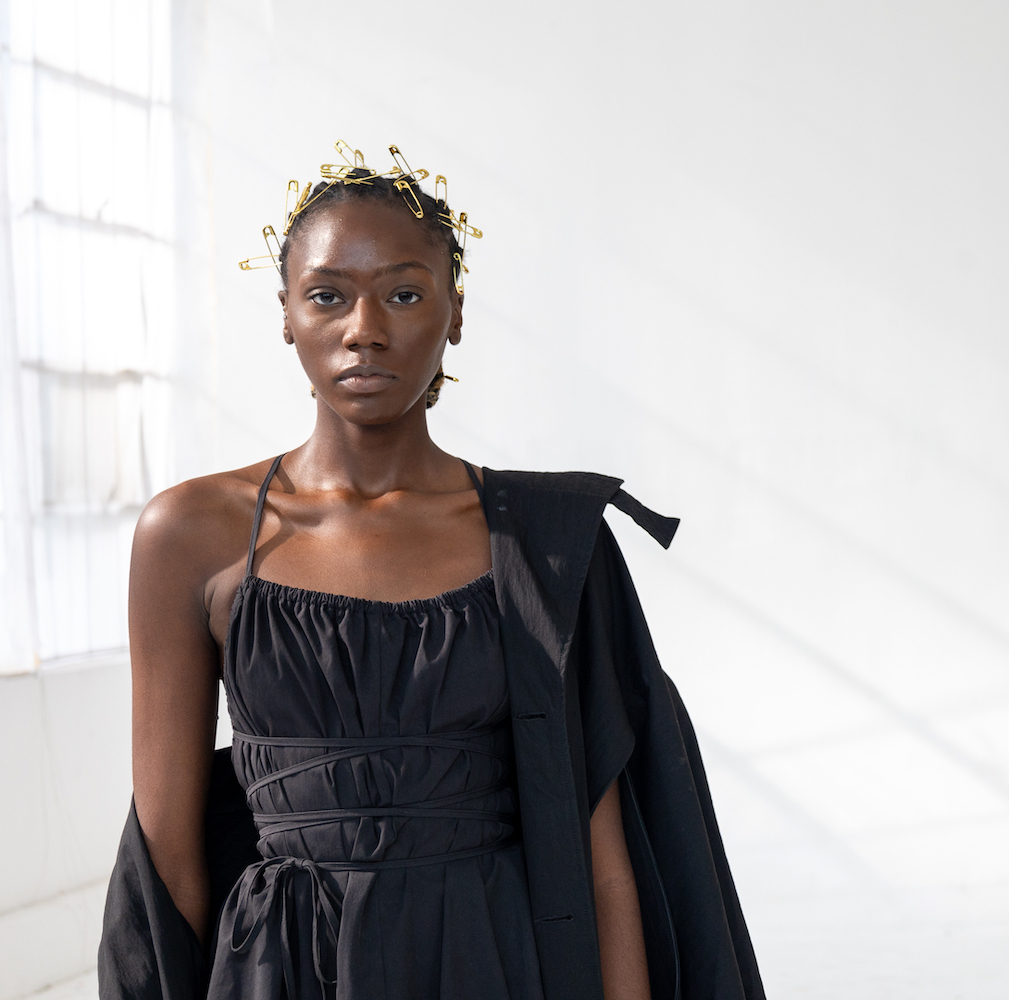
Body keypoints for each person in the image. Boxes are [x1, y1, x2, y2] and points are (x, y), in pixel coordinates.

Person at [99, 144, 763, 1000]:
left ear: (453, 313)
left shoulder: (548, 544)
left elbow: (604, 861)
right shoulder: (188, 535)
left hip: (493, 960)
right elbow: (168, 862)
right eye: (328, 295)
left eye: (404, 294)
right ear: (287, 313)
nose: (363, 327)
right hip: (282, 971)